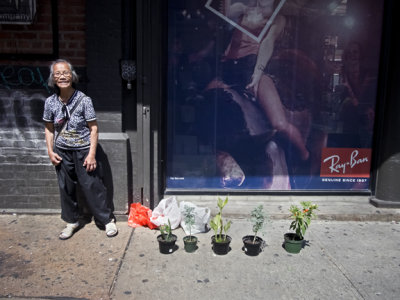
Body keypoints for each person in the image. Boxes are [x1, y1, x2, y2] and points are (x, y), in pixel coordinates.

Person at [206, 0, 310, 161]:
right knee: (205, 100)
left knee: (279, 124)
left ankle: (305, 155)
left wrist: (257, 74)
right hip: (228, 69)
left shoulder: (278, 19)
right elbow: (226, 14)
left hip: (253, 68)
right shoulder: (243, 10)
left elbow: (268, 42)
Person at [43, 59, 118, 239]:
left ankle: (107, 221)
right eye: (58, 74)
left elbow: (93, 128)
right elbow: (48, 128)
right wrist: (50, 151)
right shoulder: (50, 102)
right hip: (62, 152)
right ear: (53, 78)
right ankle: (72, 221)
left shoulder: (84, 100)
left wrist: (92, 154)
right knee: (66, 188)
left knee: (92, 186)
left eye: (65, 73)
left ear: (72, 75)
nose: (62, 76)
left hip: (84, 150)